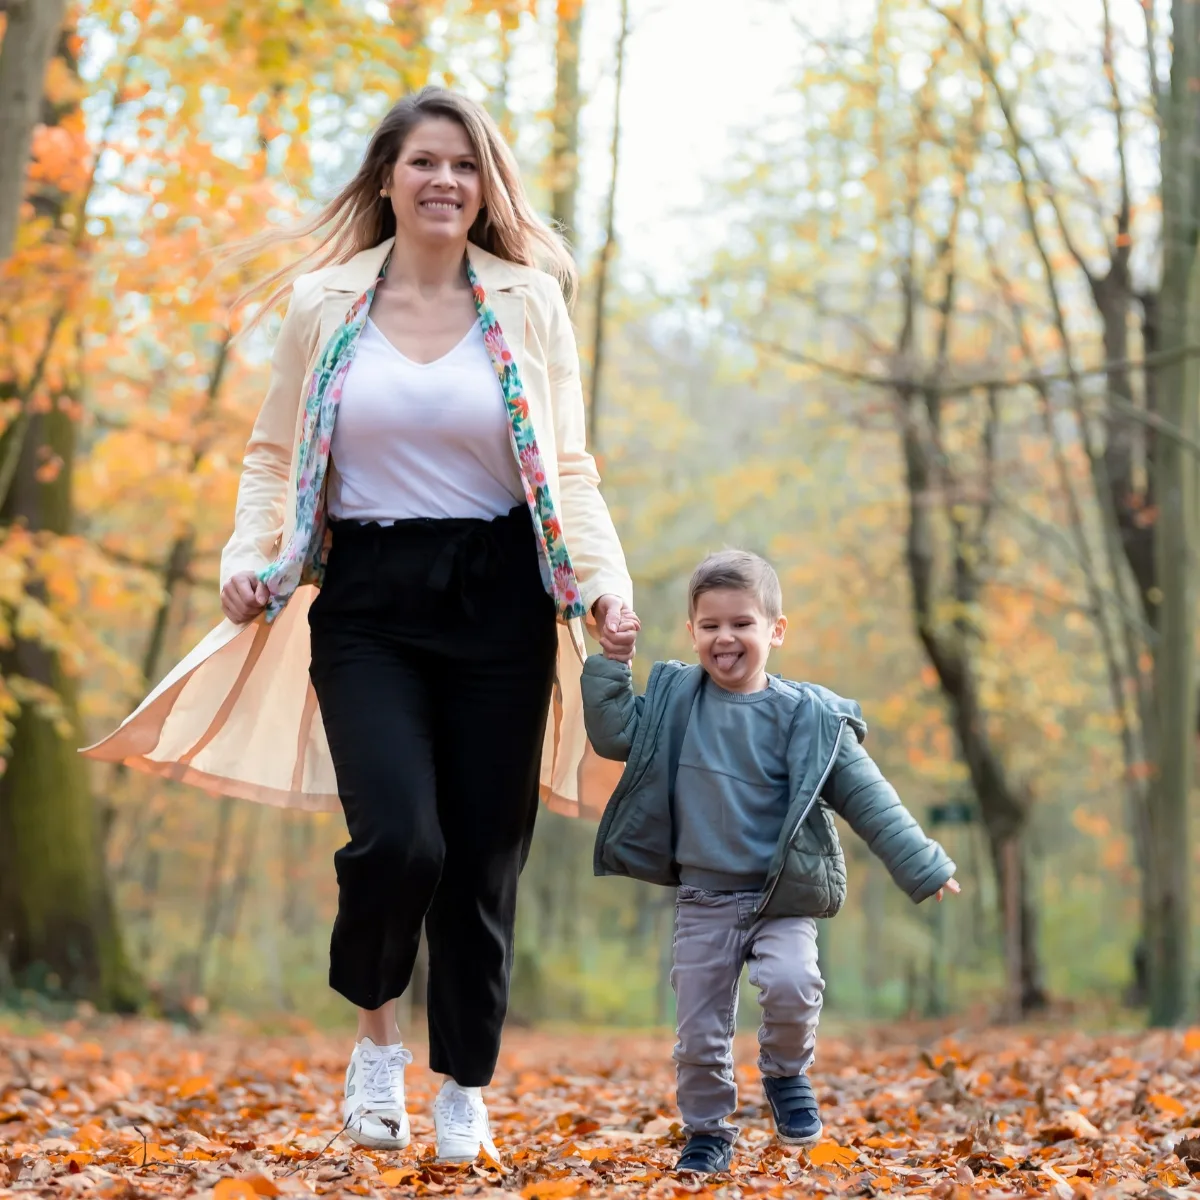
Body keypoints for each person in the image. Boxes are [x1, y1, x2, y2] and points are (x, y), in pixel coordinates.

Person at [83, 88, 637, 1162]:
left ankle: (463, 1087)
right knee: (400, 838)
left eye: (466, 166)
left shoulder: (528, 302)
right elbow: (269, 454)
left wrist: (603, 585)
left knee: (482, 856)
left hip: (502, 595)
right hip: (369, 596)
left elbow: (567, 465)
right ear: (387, 176)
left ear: (488, 188)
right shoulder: (325, 302)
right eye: (425, 162)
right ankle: (376, 1041)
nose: (445, 182)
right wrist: (248, 560)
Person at [581, 549, 959, 1174]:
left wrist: (923, 864)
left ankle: (786, 1074)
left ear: (775, 631)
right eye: (711, 626)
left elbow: (868, 798)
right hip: (703, 899)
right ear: (693, 633)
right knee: (699, 1034)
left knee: (794, 986)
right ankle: (707, 1131)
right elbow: (614, 733)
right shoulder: (676, 702)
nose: (725, 638)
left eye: (742, 623)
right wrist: (614, 662)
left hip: (779, 898)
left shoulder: (808, 719)